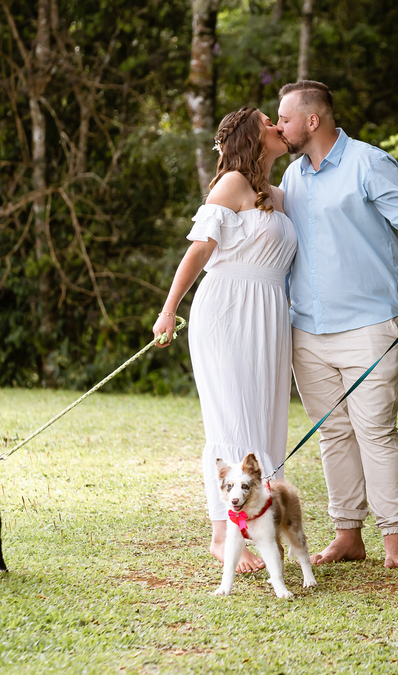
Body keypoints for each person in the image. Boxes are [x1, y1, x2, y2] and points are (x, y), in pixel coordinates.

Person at [276, 80, 398, 569]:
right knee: (334, 434)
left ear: (314, 120)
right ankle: (348, 535)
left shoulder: (369, 163)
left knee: (376, 431)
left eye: (285, 118)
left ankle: (396, 541)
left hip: (371, 323)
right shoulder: (292, 177)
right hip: (307, 329)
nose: (279, 126)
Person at [153, 107, 295, 573]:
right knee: (231, 420)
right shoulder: (232, 183)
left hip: (270, 316)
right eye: (267, 123)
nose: (277, 126)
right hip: (227, 311)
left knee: (264, 424)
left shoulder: (277, 193)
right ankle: (222, 536)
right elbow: (198, 251)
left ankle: (259, 525)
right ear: (253, 139)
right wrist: (169, 309)